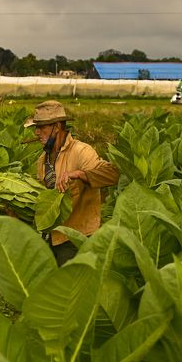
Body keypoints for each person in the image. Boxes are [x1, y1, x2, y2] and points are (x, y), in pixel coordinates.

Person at [24, 100, 120, 265]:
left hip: (77, 239)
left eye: (42, 127)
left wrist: (80, 174)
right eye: (36, 128)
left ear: (58, 126)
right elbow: (43, 201)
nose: (37, 133)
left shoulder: (81, 151)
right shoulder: (42, 160)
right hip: (52, 239)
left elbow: (112, 174)